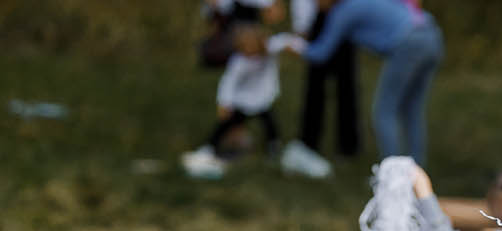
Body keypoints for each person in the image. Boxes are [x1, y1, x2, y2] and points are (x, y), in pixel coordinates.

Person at [289, 0, 443, 164]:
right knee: (412, 109)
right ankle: (418, 171)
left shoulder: (343, 11)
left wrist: (295, 47)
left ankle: (393, 175)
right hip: (432, 35)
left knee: (384, 111)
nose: (315, 4)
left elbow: (321, 53)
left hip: (408, 43)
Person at [182, 22, 298, 179]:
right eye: (245, 47)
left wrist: (295, 46)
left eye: (252, 46)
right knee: (226, 124)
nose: (249, 50)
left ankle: (274, 148)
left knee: (270, 124)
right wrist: (224, 103)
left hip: (262, 97)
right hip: (243, 100)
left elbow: (284, 40)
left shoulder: (269, 49)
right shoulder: (238, 62)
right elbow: (228, 83)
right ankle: (209, 147)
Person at [281, 0, 358, 178]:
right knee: (316, 88)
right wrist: (301, 25)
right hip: (323, 18)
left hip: (343, 14)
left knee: (345, 87)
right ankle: (308, 144)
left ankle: (347, 145)